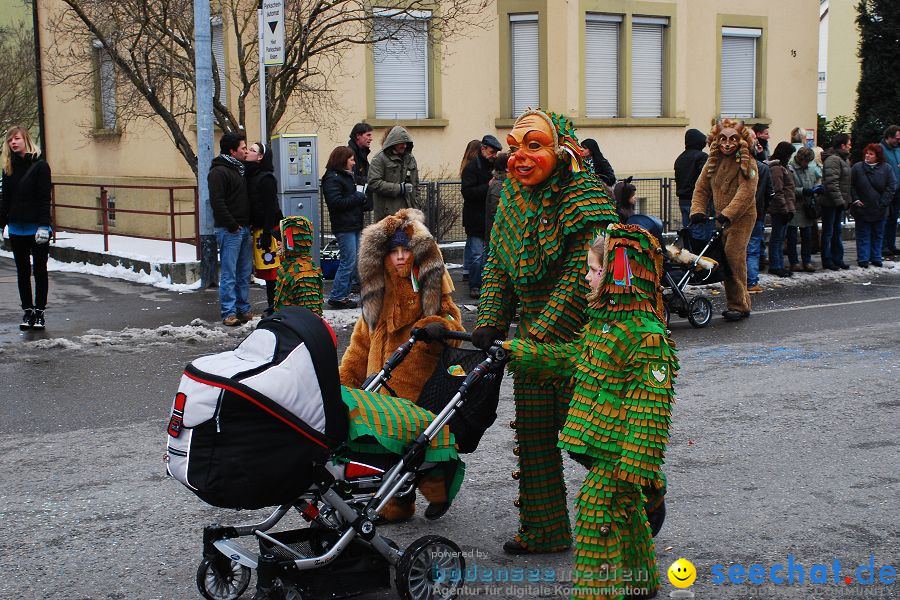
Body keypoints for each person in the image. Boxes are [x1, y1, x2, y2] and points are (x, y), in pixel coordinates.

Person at [472, 110, 618, 555]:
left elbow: (583, 274)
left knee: (582, 436)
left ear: (562, 150)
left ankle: (640, 489)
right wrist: (491, 320)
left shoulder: (587, 196)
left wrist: (540, 334)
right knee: (534, 436)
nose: (520, 156)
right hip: (530, 337)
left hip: (578, 336)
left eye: (533, 145)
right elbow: (498, 261)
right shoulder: (514, 197)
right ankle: (545, 528)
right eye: (515, 147)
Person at [503, 223, 676, 599]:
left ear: (618, 275)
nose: (587, 276)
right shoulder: (603, 324)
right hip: (604, 449)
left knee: (596, 509)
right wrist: (519, 352)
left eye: (595, 270)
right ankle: (639, 579)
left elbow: (653, 406)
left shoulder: (646, 336)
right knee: (622, 517)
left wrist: (637, 466)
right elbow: (572, 361)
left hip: (620, 456)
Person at [339, 208, 464, 521]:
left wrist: (438, 325)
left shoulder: (429, 284)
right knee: (385, 450)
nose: (399, 257)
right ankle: (395, 504)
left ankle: (437, 490)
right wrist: (345, 380)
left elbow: (454, 324)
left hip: (418, 382)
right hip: (378, 384)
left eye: (405, 250)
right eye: (392, 251)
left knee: (420, 447)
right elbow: (361, 342)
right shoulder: (377, 294)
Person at [690, 119, 759, 321]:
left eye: (732, 139)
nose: (727, 144)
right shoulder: (713, 162)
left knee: (733, 258)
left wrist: (729, 213)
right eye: (723, 139)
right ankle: (738, 300)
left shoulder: (747, 163)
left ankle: (739, 305)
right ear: (716, 140)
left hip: (742, 217)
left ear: (740, 141)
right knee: (724, 259)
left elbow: (746, 192)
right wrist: (697, 210)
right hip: (721, 217)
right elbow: (701, 188)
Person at [0, 125, 52, 330]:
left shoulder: (40, 166)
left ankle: (40, 312)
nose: (13, 142)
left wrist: (43, 226)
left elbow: (43, 199)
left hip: (36, 228)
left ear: (26, 140)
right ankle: (27, 311)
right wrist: (1, 224)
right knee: (22, 272)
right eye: (10, 140)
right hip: (16, 228)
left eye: (17, 139)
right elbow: (5, 199)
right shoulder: (8, 167)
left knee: (40, 270)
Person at [209, 131, 254, 326]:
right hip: (231, 230)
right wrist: (232, 225)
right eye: (243, 148)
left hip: (243, 228)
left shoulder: (239, 170)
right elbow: (217, 202)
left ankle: (243, 309)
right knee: (229, 273)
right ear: (232, 150)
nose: (246, 151)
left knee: (244, 272)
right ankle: (228, 312)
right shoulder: (219, 172)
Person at [322, 146, 368, 310]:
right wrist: (357, 197)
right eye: (351, 159)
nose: (354, 163)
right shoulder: (332, 179)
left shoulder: (346, 177)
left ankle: (343, 295)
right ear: (343, 160)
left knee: (353, 260)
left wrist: (362, 201)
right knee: (348, 261)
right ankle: (337, 296)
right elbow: (336, 203)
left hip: (352, 224)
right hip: (344, 226)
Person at [461, 135, 501, 299]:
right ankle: (475, 285)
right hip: (476, 219)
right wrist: (488, 186)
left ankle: (484, 283)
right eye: (492, 152)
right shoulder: (472, 168)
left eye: (496, 153)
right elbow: (467, 192)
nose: (494, 156)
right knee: (477, 254)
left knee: (485, 254)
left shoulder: (491, 166)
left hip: (487, 219)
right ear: (483, 149)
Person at [245, 141, 283, 316]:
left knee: (272, 270)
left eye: (252, 150)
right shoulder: (249, 174)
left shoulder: (266, 178)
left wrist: (268, 233)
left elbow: (271, 208)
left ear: (260, 157)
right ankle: (272, 305)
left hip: (269, 228)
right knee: (266, 270)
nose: (247, 152)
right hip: (259, 229)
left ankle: (274, 306)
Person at [850, 143, 896, 268]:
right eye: (867, 153)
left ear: (877, 156)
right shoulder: (857, 168)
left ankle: (876, 257)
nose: (867, 156)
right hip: (862, 207)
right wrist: (855, 199)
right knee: (863, 234)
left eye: (871, 154)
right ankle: (863, 258)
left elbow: (891, 186)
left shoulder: (886, 168)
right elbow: (851, 185)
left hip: (880, 208)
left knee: (878, 234)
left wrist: (883, 202)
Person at [274, 216, 323, 315]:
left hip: (296, 328)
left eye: (281, 239)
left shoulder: (305, 274)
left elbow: (310, 316)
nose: (278, 243)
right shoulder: (288, 265)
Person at [368, 126, 418, 222]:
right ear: (393, 143)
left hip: (409, 214)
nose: (404, 146)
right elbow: (373, 183)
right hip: (388, 217)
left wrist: (416, 206)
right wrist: (400, 189)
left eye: (406, 143)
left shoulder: (410, 158)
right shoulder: (379, 159)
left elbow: (416, 184)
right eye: (401, 143)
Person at [787, 146, 823, 272]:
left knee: (807, 236)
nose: (807, 164)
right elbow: (790, 188)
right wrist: (804, 191)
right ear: (800, 159)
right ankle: (794, 262)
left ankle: (807, 261)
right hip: (795, 206)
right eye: (806, 161)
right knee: (792, 236)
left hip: (807, 207)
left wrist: (816, 189)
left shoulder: (809, 169)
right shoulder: (790, 169)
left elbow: (812, 182)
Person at [746, 134, 774, 294]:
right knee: (753, 248)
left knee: (738, 249)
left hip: (739, 214)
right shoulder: (763, 168)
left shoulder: (738, 167)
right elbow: (770, 192)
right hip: (757, 213)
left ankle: (739, 281)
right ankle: (752, 282)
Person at [821, 133, 852, 270]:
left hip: (837, 202)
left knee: (836, 231)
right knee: (828, 232)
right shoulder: (834, 160)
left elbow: (845, 183)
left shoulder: (842, 159)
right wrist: (840, 201)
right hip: (830, 203)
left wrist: (846, 200)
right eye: (849, 144)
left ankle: (837, 258)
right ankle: (828, 260)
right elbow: (832, 182)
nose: (851, 147)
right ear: (843, 145)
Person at [766, 142, 797, 278]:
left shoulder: (781, 167)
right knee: (777, 238)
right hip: (780, 209)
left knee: (780, 237)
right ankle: (775, 265)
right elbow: (778, 191)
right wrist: (785, 209)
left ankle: (778, 264)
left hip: (784, 207)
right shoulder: (777, 168)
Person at [674, 128, 709, 228]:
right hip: (697, 201)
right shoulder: (702, 157)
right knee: (699, 233)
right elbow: (706, 177)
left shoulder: (680, 158)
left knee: (688, 230)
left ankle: (687, 244)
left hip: (683, 200)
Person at [459, 139, 481, 281]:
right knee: (474, 245)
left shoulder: (465, 163)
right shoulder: (475, 166)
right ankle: (470, 272)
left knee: (470, 242)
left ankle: (466, 270)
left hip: (468, 211)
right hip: (474, 213)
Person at [879, 124, 900, 257]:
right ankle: (883, 245)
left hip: (898, 191)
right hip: (886, 191)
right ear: (888, 137)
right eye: (897, 138)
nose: (899, 141)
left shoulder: (897, 150)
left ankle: (891, 245)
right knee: (884, 219)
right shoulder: (880, 150)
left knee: (893, 219)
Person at [484, 152, 508, 245]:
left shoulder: (501, 183)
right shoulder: (499, 185)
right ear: (506, 168)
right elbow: (496, 211)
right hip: (497, 236)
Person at [348, 122, 374, 188]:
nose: (371, 138)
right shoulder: (349, 154)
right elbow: (351, 177)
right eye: (368, 135)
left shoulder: (363, 153)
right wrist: (370, 180)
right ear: (358, 136)